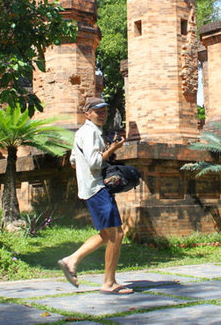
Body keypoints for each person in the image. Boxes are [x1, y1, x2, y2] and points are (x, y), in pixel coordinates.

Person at [58, 97, 134, 295]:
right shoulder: (91, 132)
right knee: (116, 235)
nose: (102, 114)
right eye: (98, 111)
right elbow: (94, 163)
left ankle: (71, 260)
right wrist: (113, 149)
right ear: (87, 114)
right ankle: (109, 283)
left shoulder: (82, 132)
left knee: (106, 234)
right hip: (97, 189)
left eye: (104, 111)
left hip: (89, 188)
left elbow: (74, 161)